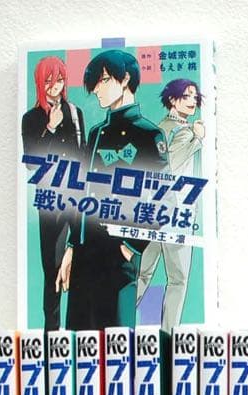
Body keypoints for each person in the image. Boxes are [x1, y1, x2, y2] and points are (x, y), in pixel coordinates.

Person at [58, 49, 168, 330]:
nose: (97, 89)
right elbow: (82, 193)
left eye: (103, 80)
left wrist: (131, 247)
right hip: (84, 254)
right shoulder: (96, 132)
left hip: (116, 258)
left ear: (126, 79)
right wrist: (71, 247)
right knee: (79, 342)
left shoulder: (149, 134)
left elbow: (162, 199)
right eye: (94, 84)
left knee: (116, 343)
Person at [21, 55, 86, 330]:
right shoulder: (31, 118)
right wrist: (50, 127)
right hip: (50, 202)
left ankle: (81, 332)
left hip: (78, 198)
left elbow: (82, 155)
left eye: (59, 80)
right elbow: (31, 163)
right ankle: (52, 335)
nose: (54, 86)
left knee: (82, 265)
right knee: (53, 270)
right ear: (39, 83)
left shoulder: (75, 112)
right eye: (48, 81)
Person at [136, 79, 205, 331]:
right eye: (186, 96)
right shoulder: (184, 131)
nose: (192, 100)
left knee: (143, 273)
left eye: (195, 96)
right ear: (173, 100)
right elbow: (171, 165)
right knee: (178, 279)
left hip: (153, 209)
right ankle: (169, 335)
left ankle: (116, 323)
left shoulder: (159, 127)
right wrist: (198, 139)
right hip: (176, 212)